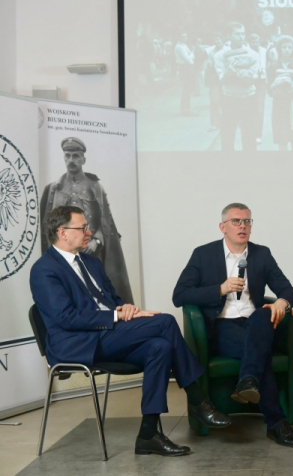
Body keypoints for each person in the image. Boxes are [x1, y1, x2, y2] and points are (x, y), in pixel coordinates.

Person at [30, 206, 231, 456]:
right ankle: (199, 400)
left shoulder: (91, 262)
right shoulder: (44, 270)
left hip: (106, 334)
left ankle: (148, 434)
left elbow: (112, 299)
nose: (89, 232)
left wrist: (126, 309)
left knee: (161, 347)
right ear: (62, 232)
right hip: (77, 343)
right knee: (165, 321)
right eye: (82, 228)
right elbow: (66, 318)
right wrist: (116, 315)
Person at [172, 203, 293, 447]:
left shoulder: (261, 254)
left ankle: (247, 382)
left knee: (263, 316)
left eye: (247, 221)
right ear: (223, 227)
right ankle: (276, 423)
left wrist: (282, 302)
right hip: (223, 326)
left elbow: (287, 289)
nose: (242, 226)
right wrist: (219, 289)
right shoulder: (203, 254)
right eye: (236, 221)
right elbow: (179, 295)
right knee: (259, 353)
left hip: (257, 323)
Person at [40, 137, 133, 304]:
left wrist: (96, 240)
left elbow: (105, 222)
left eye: (76, 156)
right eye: (68, 155)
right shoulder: (53, 189)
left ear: (83, 159)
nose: (71, 160)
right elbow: (48, 226)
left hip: (91, 253)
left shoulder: (94, 186)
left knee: (96, 297)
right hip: (64, 256)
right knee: (66, 295)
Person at [214, 22, 260, 151]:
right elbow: (222, 81)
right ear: (229, 35)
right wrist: (230, 74)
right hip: (229, 99)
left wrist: (234, 75)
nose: (241, 37)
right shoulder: (220, 55)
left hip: (249, 98)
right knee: (228, 137)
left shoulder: (253, 54)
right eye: (237, 34)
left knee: (250, 137)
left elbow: (251, 80)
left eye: (243, 34)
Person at [267, 36, 293, 151]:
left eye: (290, 47)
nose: (287, 50)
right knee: (281, 134)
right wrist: (277, 90)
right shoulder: (273, 65)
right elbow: (269, 88)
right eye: (284, 47)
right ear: (279, 48)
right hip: (279, 104)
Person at [248, 33, 268, 145]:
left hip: (261, 82)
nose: (256, 44)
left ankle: (257, 134)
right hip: (248, 80)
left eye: (257, 41)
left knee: (259, 108)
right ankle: (249, 132)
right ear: (249, 42)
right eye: (253, 42)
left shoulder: (265, 51)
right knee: (249, 107)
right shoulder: (245, 51)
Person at [205, 34, 225, 132]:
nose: (216, 42)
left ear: (222, 40)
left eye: (218, 39)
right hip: (216, 79)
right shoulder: (211, 53)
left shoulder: (227, 50)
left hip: (227, 79)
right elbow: (210, 67)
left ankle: (232, 122)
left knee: (229, 101)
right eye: (215, 40)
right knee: (214, 101)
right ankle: (215, 124)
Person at [174, 32, 196, 115]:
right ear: (179, 37)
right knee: (186, 89)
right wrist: (192, 53)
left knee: (188, 88)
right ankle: (185, 109)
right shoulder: (179, 47)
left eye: (185, 36)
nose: (184, 38)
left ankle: (186, 108)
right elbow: (189, 60)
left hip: (187, 67)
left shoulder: (184, 45)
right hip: (185, 68)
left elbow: (191, 57)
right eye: (182, 36)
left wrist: (191, 54)